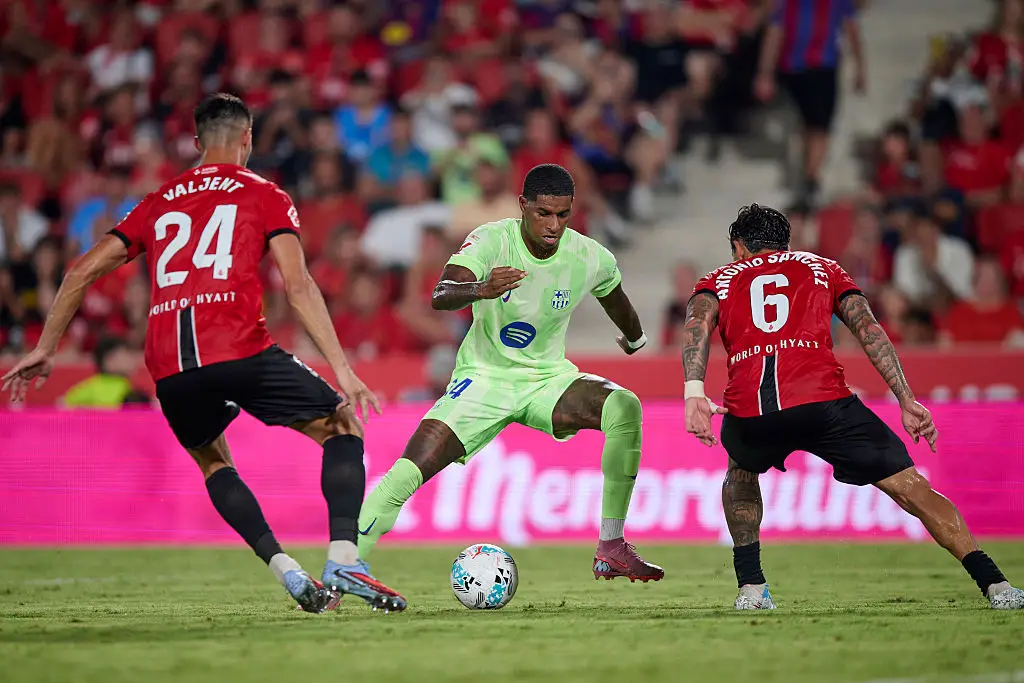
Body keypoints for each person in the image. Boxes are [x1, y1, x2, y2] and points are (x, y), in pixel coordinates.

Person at [1, 93, 406, 615]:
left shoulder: (157, 201)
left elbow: (79, 271)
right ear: (248, 138)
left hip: (169, 368)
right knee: (342, 425)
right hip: (239, 347)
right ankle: (344, 558)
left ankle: (287, 572)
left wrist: (45, 346)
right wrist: (344, 371)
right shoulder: (265, 194)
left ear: (195, 143)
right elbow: (299, 284)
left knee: (214, 461)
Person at [680, 203, 1024, 611]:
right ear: (786, 244)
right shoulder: (823, 267)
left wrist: (693, 393)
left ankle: (751, 589)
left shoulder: (718, 278)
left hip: (753, 410)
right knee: (910, 487)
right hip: (824, 402)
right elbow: (867, 328)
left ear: (738, 246)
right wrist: (906, 399)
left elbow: (696, 325)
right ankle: (996, 585)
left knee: (740, 470)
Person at [357, 164, 664, 582]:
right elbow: (440, 295)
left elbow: (616, 300)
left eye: (562, 214)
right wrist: (481, 289)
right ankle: (346, 567)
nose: (553, 225)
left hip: (546, 380)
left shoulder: (590, 256)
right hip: (482, 380)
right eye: (543, 213)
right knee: (405, 475)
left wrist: (635, 340)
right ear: (523, 206)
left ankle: (612, 546)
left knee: (624, 406)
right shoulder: (490, 240)